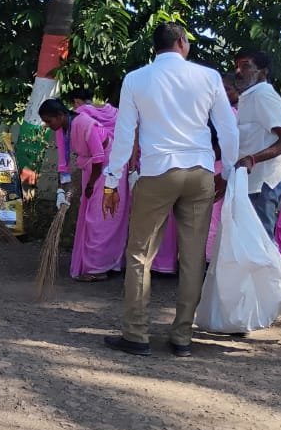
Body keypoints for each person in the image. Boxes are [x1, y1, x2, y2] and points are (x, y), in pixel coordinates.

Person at [101, 23, 240, 358]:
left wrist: (111, 181)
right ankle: (182, 337)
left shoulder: (136, 79)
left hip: (157, 171)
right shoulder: (209, 77)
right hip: (200, 172)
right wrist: (228, 172)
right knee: (193, 257)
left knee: (139, 255)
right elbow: (228, 129)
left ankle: (136, 334)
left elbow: (124, 135)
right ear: (181, 42)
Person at [40, 99, 129, 280]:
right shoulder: (61, 130)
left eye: (49, 121)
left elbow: (99, 157)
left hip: (109, 168)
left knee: (100, 217)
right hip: (92, 169)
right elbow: (63, 164)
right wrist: (61, 191)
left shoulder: (84, 123)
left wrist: (90, 185)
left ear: (60, 115)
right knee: (90, 215)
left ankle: (98, 268)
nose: (48, 125)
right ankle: (100, 263)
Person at [232, 50, 281, 235]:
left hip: (264, 182)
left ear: (263, 72)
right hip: (251, 182)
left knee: (261, 240)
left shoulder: (264, 96)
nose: (238, 71)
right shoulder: (248, 97)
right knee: (249, 240)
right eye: (236, 66)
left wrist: (252, 159)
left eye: (245, 66)